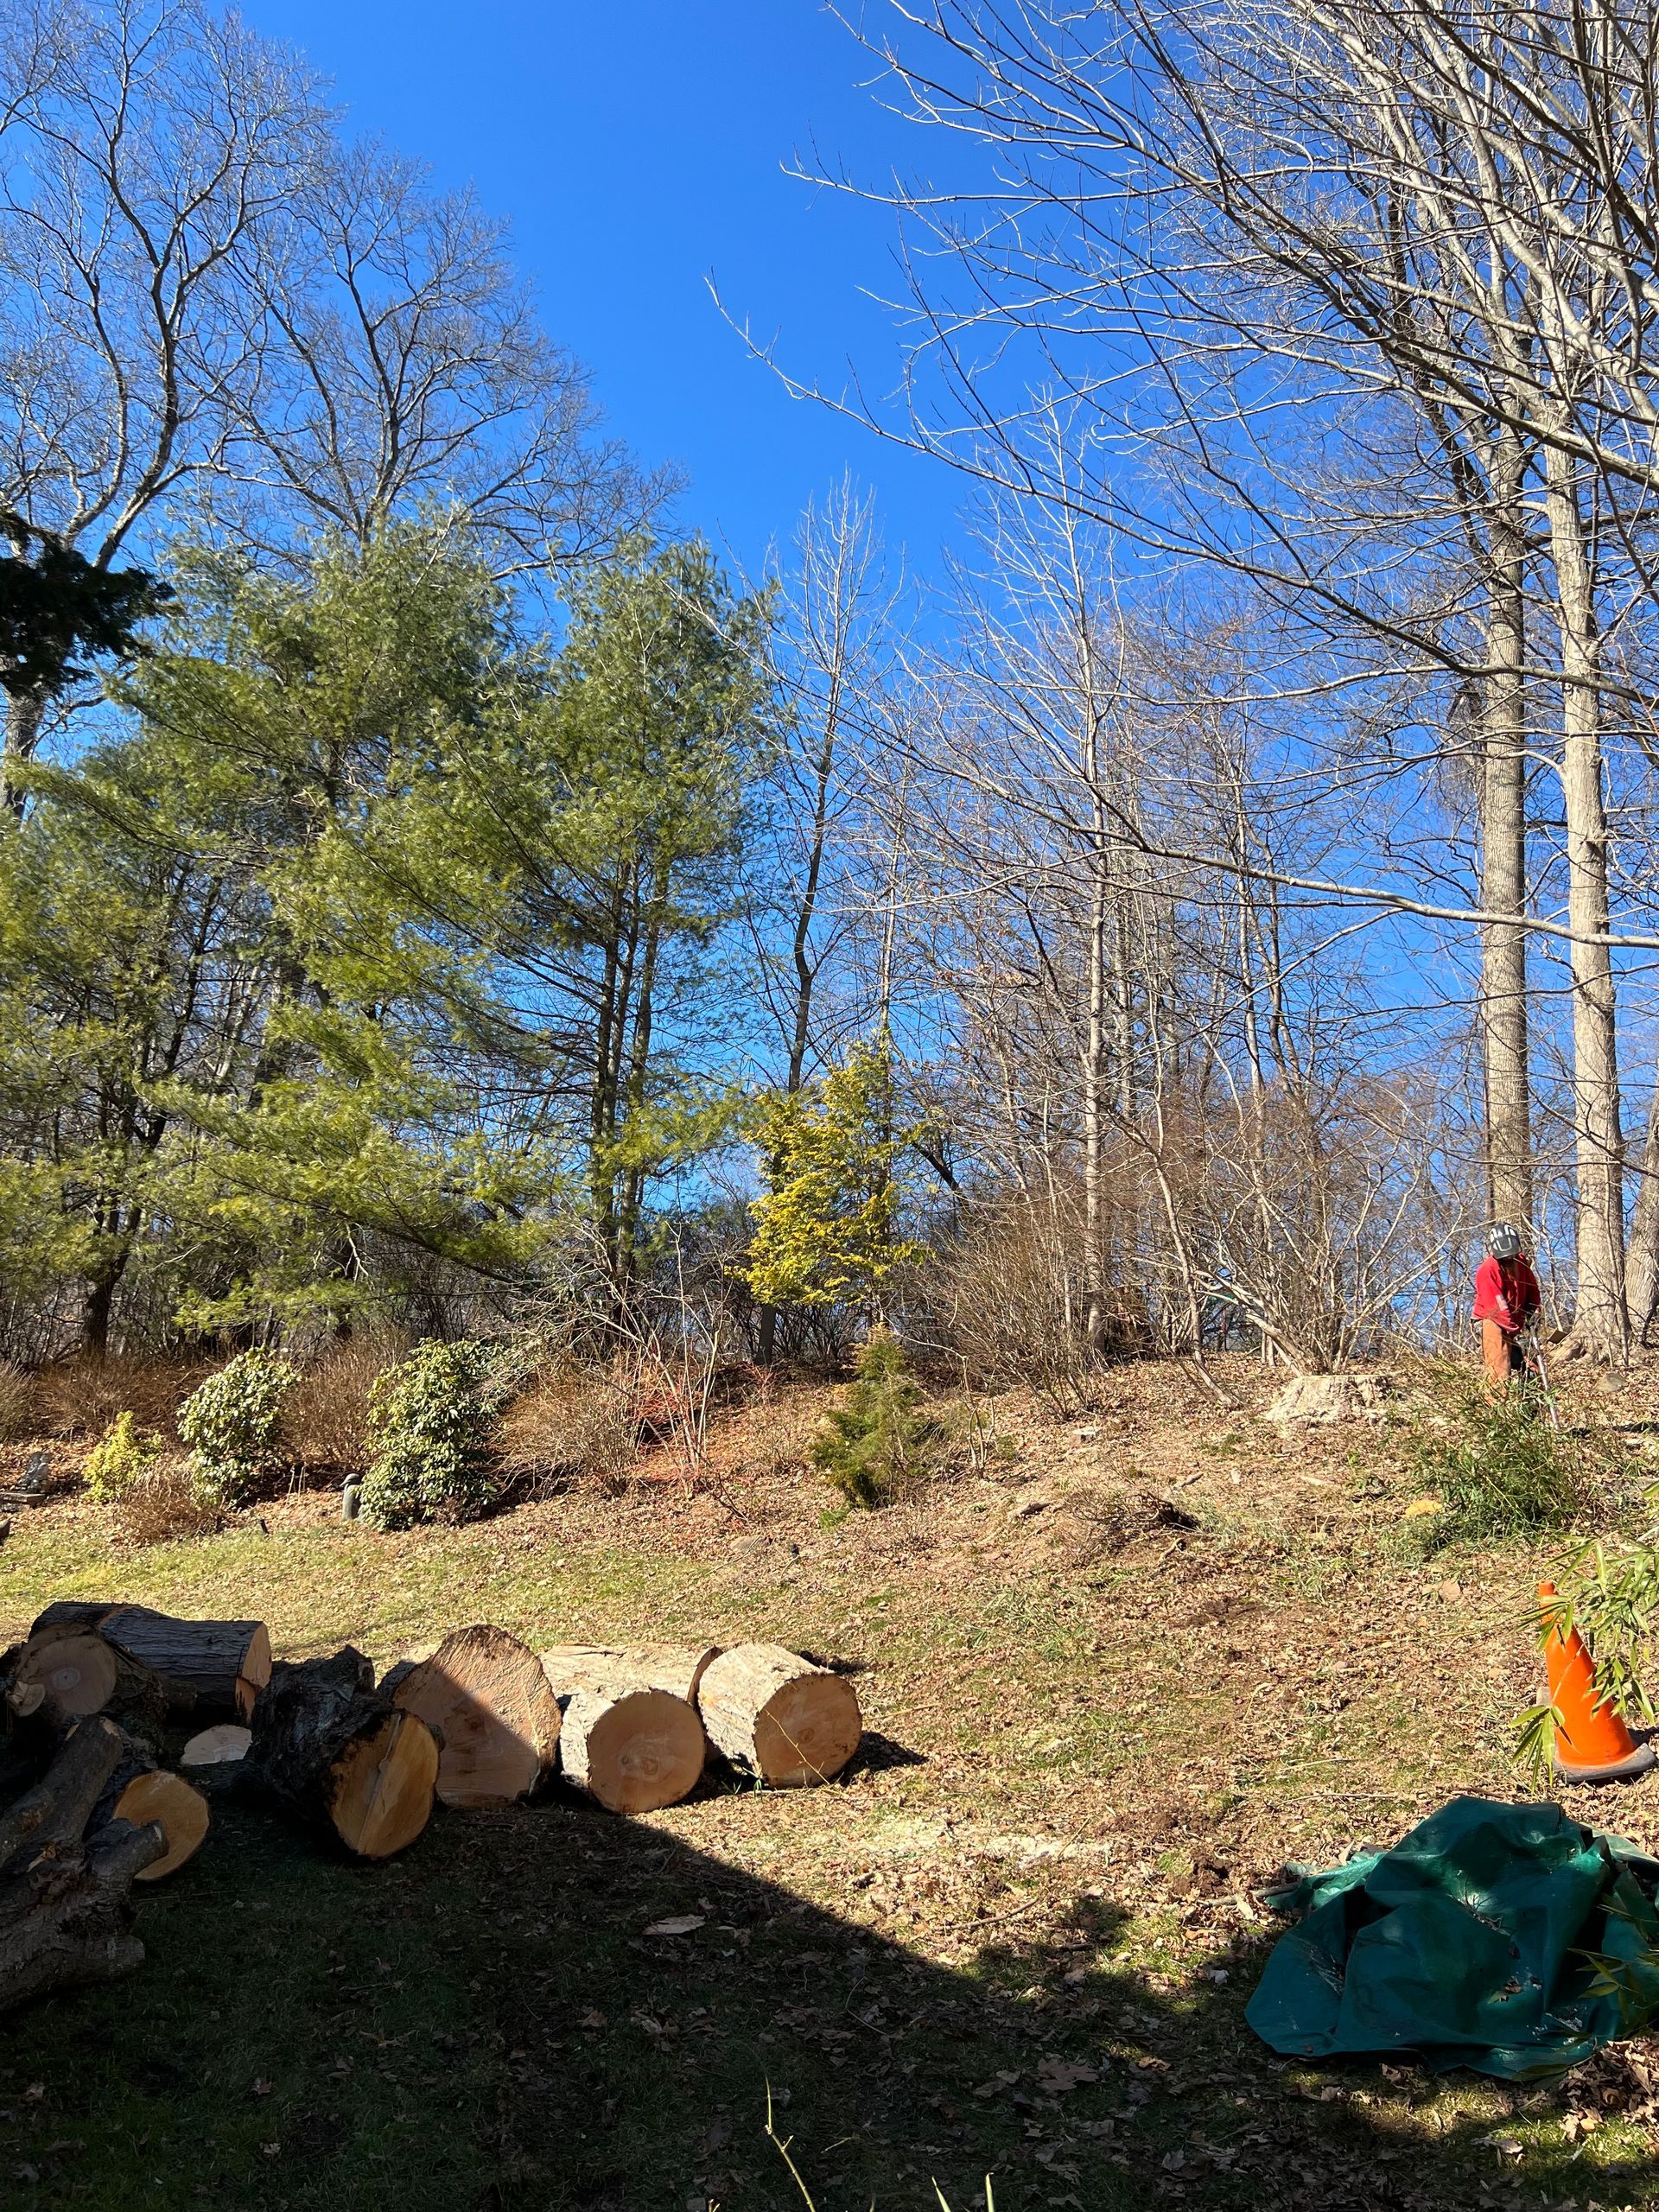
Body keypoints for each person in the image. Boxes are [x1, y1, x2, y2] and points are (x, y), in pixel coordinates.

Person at [1472, 1222, 1541, 1390]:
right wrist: (1515, 1333)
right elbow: (1496, 1308)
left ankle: (1532, 1411)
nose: (1509, 1258)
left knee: (1532, 1368)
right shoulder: (1487, 1270)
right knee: (1500, 1372)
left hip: (1514, 1323)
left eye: (1512, 1254)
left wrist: (1534, 1311)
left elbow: (1532, 1289)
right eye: (1505, 1256)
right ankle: (1497, 1411)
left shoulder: (1522, 1264)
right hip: (1492, 1321)